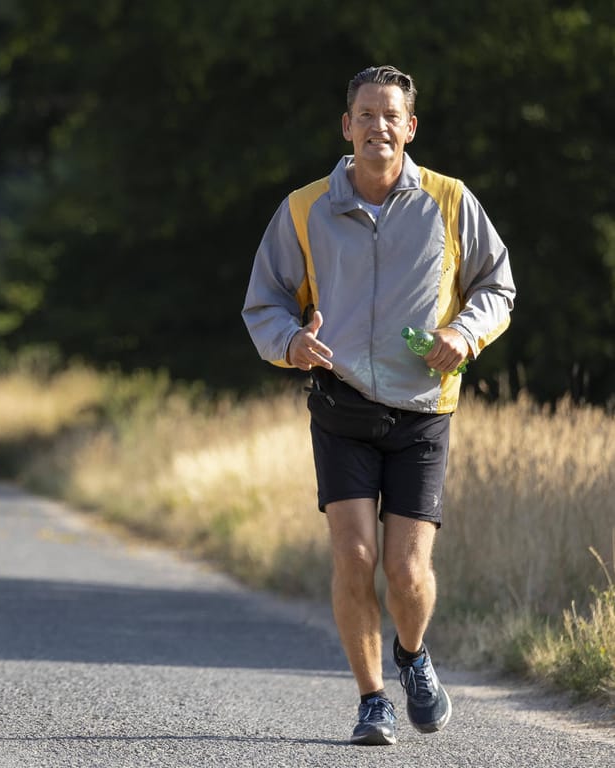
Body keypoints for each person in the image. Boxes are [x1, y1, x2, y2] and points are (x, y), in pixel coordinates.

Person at [242, 65, 515, 746]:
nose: (378, 127)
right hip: (342, 407)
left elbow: (497, 287)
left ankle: (412, 655)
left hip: (425, 409)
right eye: (365, 115)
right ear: (347, 126)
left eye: (391, 115)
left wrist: (464, 333)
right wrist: (291, 346)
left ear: (410, 127)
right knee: (353, 556)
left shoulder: (450, 203)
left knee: (407, 569)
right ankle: (372, 701)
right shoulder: (305, 209)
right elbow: (265, 302)